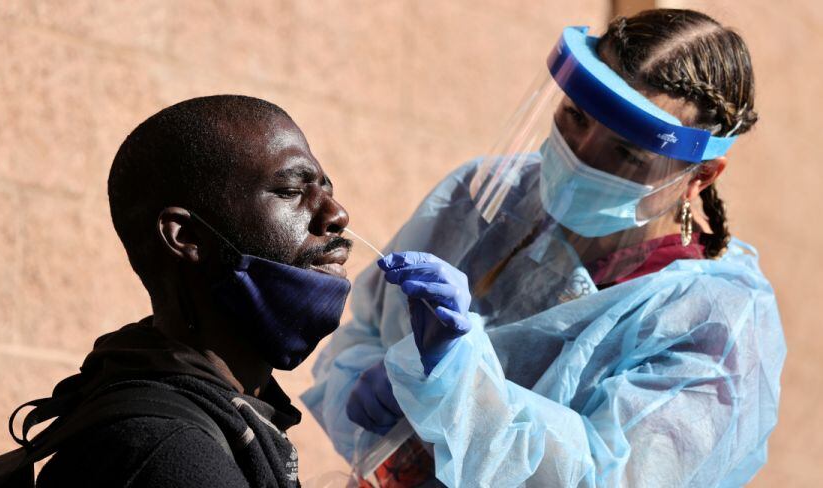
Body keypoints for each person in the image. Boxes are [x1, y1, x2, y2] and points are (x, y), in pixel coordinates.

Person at [303, 9, 785, 487]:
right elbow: (367, 324)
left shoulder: (711, 321)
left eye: (625, 153)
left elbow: (610, 476)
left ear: (699, 177)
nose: (580, 154)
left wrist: (456, 389)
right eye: (575, 117)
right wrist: (372, 375)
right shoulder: (483, 196)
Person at [29, 95, 353, 487]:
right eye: (289, 190)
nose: (336, 214)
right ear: (186, 237)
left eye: (326, 189)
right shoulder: (167, 452)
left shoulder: (223, 418)